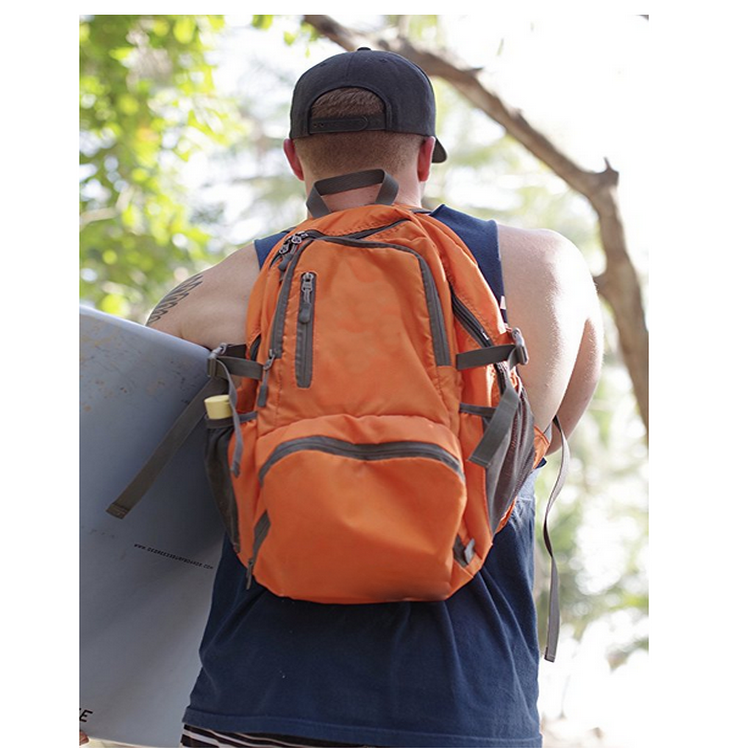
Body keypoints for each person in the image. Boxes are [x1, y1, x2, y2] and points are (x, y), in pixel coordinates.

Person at [147, 48, 602, 749]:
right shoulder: (548, 270)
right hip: (467, 709)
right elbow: (540, 442)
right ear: (424, 155)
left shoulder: (222, 289)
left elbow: (132, 476)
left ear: (296, 160)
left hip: (256, 701)